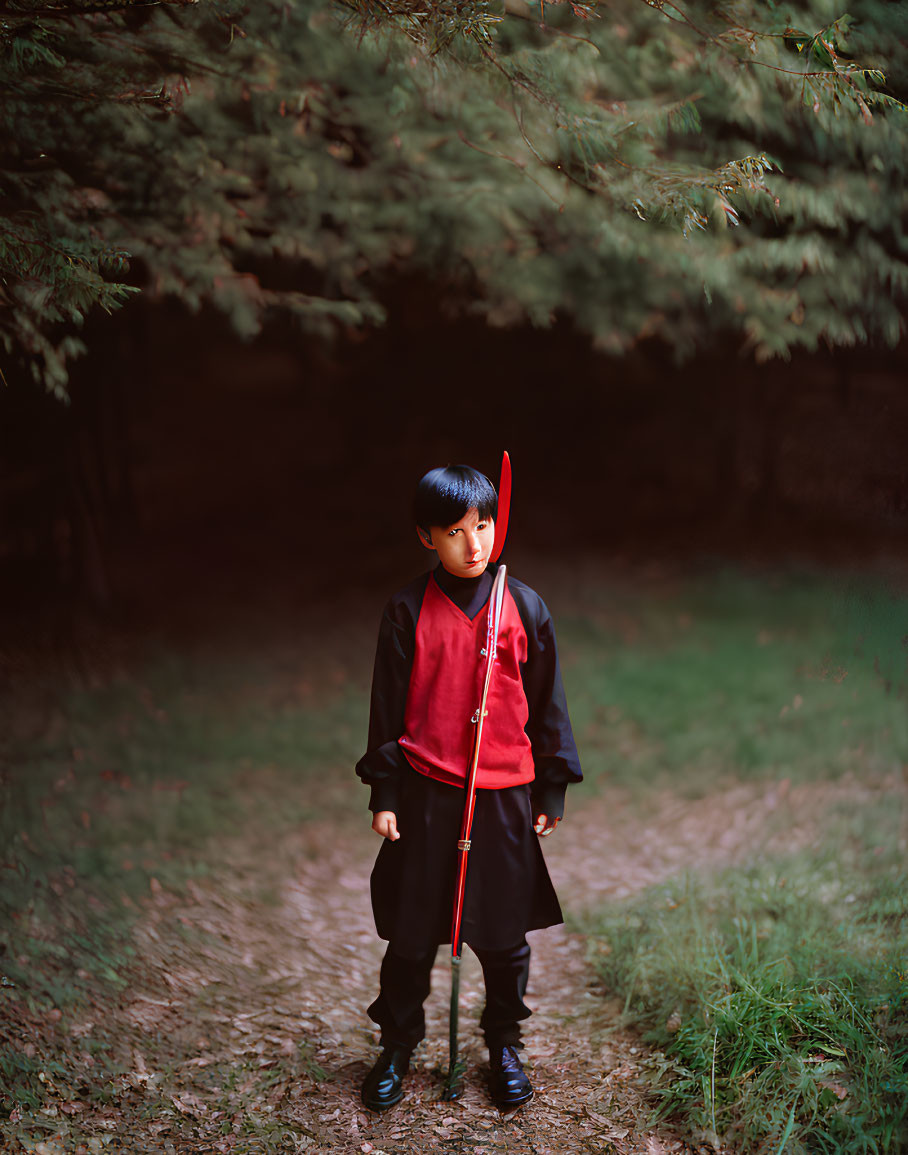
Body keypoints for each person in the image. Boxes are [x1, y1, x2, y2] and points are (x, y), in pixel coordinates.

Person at [355, 463, 582, 1111]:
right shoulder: (405, 610)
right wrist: (386, 793)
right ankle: (398, 1042)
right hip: (428, 792)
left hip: (504, 794)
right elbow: (387, 709)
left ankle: (503, 1042)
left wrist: (552, 788)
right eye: (455, 531)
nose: (474, 543)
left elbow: (548, 706)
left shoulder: (525, 606)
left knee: (505, 936)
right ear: (427, 537)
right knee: (412, 932)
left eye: (484, 525)